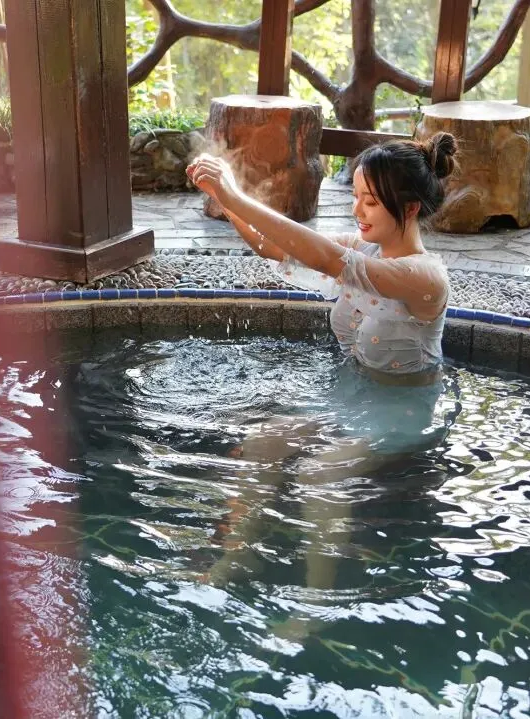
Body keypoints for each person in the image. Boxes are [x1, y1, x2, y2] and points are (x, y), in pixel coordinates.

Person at [187, 135, 460, 597]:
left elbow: (327, 258)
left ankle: (315, 600)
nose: (358, 210)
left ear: (410, 208)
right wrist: (223, 198)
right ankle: (238, 553)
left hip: (404, 407)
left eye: (371, 201)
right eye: (356, 196)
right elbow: (271, 246)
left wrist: (233, 192)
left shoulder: (424, 276)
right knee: (264, 439)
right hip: (352, 393)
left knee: (319, 472)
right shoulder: (367, 249)